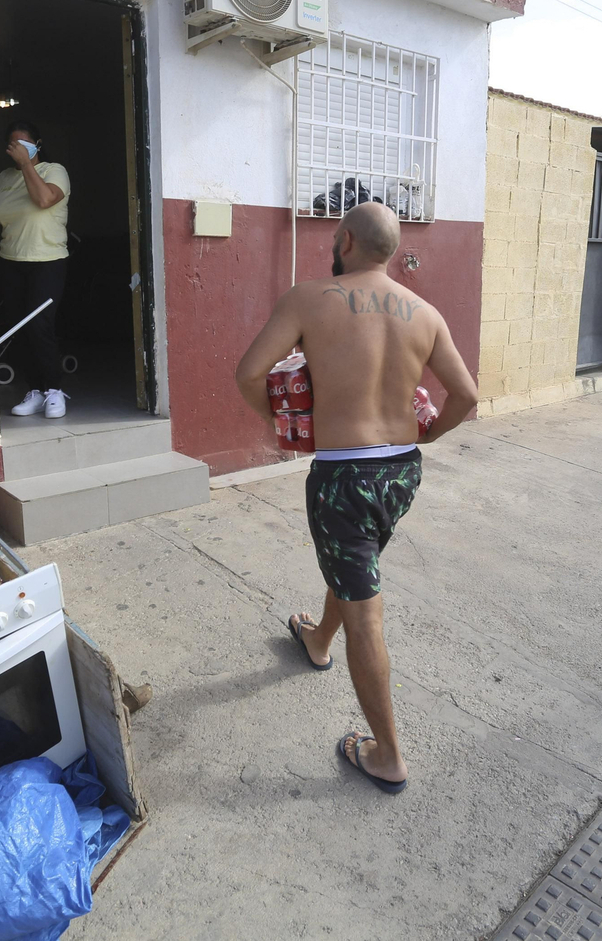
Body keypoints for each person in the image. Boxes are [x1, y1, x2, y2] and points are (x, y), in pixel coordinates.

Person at [235, 202, 478, 794]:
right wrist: (425, 435)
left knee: (367, 613)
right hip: (400, 474)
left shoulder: (307, 298)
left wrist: (286, 423)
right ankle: (318, 638)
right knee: (357, 562)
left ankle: (387, 755)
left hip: (344, 477)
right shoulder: (426, 312)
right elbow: (466, 397)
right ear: (391, 249)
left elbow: (249, 373)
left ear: (343, 239)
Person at [0, 120, 71, 419]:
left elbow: (44, 199)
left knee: (40, 327)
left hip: (47, 261)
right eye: (14, 143)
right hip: (11, 260)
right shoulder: (2, 179)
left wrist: (27, 165)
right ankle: (35, 390)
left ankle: (54, 391)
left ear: (37, 143)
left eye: (26, 142)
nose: (20, 147)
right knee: (18, 328)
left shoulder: (54, 171)